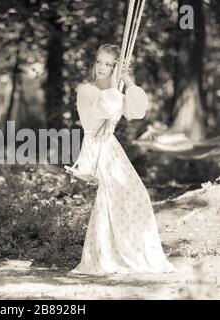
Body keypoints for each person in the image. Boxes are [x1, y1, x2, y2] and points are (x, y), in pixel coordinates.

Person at [70, 44, 176, 275]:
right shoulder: (87, 91)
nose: (102, 67)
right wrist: (117, 81)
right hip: (96, 148)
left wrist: (126, 79)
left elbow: (137, 111)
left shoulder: (114, 90)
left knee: (132, 196)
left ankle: (116, 253)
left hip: (110, 147)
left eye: (109, 64)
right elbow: (106, 107)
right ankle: (103, 257)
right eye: (99, 62)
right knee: (114, 197)